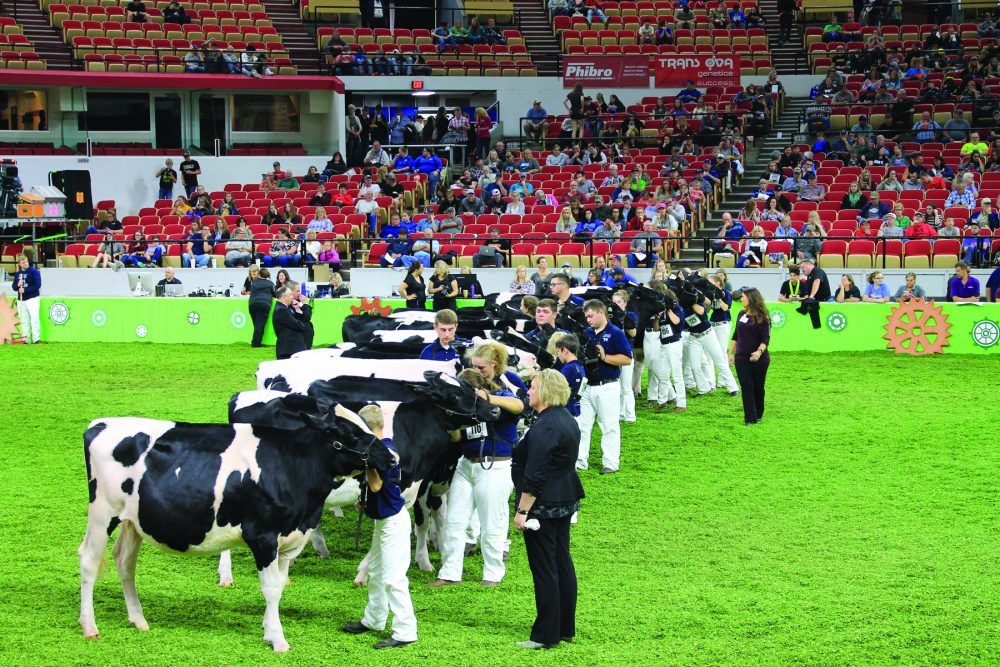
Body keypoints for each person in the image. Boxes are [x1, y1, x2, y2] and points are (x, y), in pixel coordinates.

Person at [430, 352, 524, 588]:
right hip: (467, 463)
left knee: (492, 523)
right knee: (454, 521)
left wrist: (485, 398)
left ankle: (493, 573)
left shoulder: (500, 394)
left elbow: (518, 405)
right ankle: (450, 572)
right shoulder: (465, 408)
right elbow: (457, 438)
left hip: (496, 464)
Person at [512, 369, 584, 650]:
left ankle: (545, 635)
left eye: (532, 387)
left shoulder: (545, 426)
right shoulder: (565, 418)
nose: (528, 391)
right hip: (564, 499)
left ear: (544, 391)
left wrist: (522, 511)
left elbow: (536, 474)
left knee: (545, 568)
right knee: (561, 562)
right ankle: (564, 627)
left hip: (543, 506)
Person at [341, 404, 417, 650]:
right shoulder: (386, 447)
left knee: (394, 577)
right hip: (384, 519)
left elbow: (375, 485)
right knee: (375, 571)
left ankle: (405, 631)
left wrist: (367, 462)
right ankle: (373, 619)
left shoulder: (384, 452)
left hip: (393, 521)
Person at [576, 299, 632, 475]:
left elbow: (627, 359)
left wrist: (605, 357)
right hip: (587, 387)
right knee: (583, 425)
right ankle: (580, 461)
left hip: (607, 385)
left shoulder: (615, 333)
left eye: (591, 316)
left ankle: (610, 462)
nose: (588, 320)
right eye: (586, 317)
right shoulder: (586, 333)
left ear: (601, 313)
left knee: (609, 425)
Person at [728, 288, 770, 426]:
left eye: (743, 297)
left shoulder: (763, 318)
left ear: (751, 298)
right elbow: (736, 335)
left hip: (760, 359)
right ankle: (749, 417)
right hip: (742, 358)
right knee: (746, 387)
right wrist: (731, 352)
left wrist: (759, 352)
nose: (741, 299)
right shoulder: (741, 314)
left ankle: (758, 414)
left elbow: (765, 338)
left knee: (758, 387)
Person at [611, 290, 638, 424]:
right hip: (612, 354)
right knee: (616, 385)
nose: (616, 305)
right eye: (614, 302)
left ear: (625, 303)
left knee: (626, 386)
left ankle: (630, 415)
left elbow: (633, 333)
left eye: (619, 302)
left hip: (626, 354)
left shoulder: (631, 315)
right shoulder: (609, 316)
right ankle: (620, 414)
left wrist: (622, 317)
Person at [271, 285, 307, 359]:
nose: (292, 297)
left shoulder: (283, 308)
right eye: (290, 294)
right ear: (284, 296)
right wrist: (302, 325)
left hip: (289, 348)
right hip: (288, 349)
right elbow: (296, 325)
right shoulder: (281, 310)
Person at [12, 254, 41, 344]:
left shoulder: (34, 271)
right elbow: (14, 287)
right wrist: (18, 284)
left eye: (26, 262)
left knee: (34, 318)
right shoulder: (18, 274)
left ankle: (36, 338)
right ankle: (26, 339)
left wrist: (25, 290)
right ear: (20, 264)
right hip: (21, 300)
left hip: (32, 298)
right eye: (23, 263)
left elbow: (37, 285)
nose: (25, 264)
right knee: (24, 320)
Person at [554, 335, 585, 418]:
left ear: (564, 350)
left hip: (566, 413)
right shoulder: (580, 367)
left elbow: (554, 391)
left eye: (558, 352)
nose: (558, 356)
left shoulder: (568, 369)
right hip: (576, 411)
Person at [245, 266, 274, 348]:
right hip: (264, 304)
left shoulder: (254, 282)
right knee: (260, 324)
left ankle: (256, 341)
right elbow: (274, 294)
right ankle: (256, 344)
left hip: (252, 304)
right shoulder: (270, 283)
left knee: (257, 324)